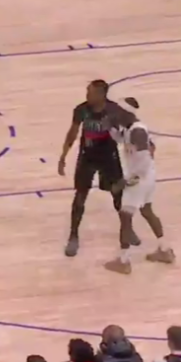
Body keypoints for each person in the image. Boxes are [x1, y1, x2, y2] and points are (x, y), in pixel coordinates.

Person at [58, 80, 134, 257]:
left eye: (90, 92)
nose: (87, 95)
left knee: (118, 195)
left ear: (101, 95)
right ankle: (73, 236)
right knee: (80, 196)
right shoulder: (81, 110)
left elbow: (132, 127)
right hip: (88, 156)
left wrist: (141, 147)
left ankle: (127, 230)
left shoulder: (114, 110)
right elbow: (72, 133)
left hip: (108, 156)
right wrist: (63, 156)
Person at [104, 97, 175, 274]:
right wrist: (110, 128)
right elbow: (127, 141)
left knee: (125, 217)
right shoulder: (130, 129)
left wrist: (125, 181)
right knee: (147, 211)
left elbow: (143, 161)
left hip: (138, 178)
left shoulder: (137, 131)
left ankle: (124, 261)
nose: (116, 115)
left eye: (118, 112)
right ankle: (164, 250)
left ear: (126, 113)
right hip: (147, 177)